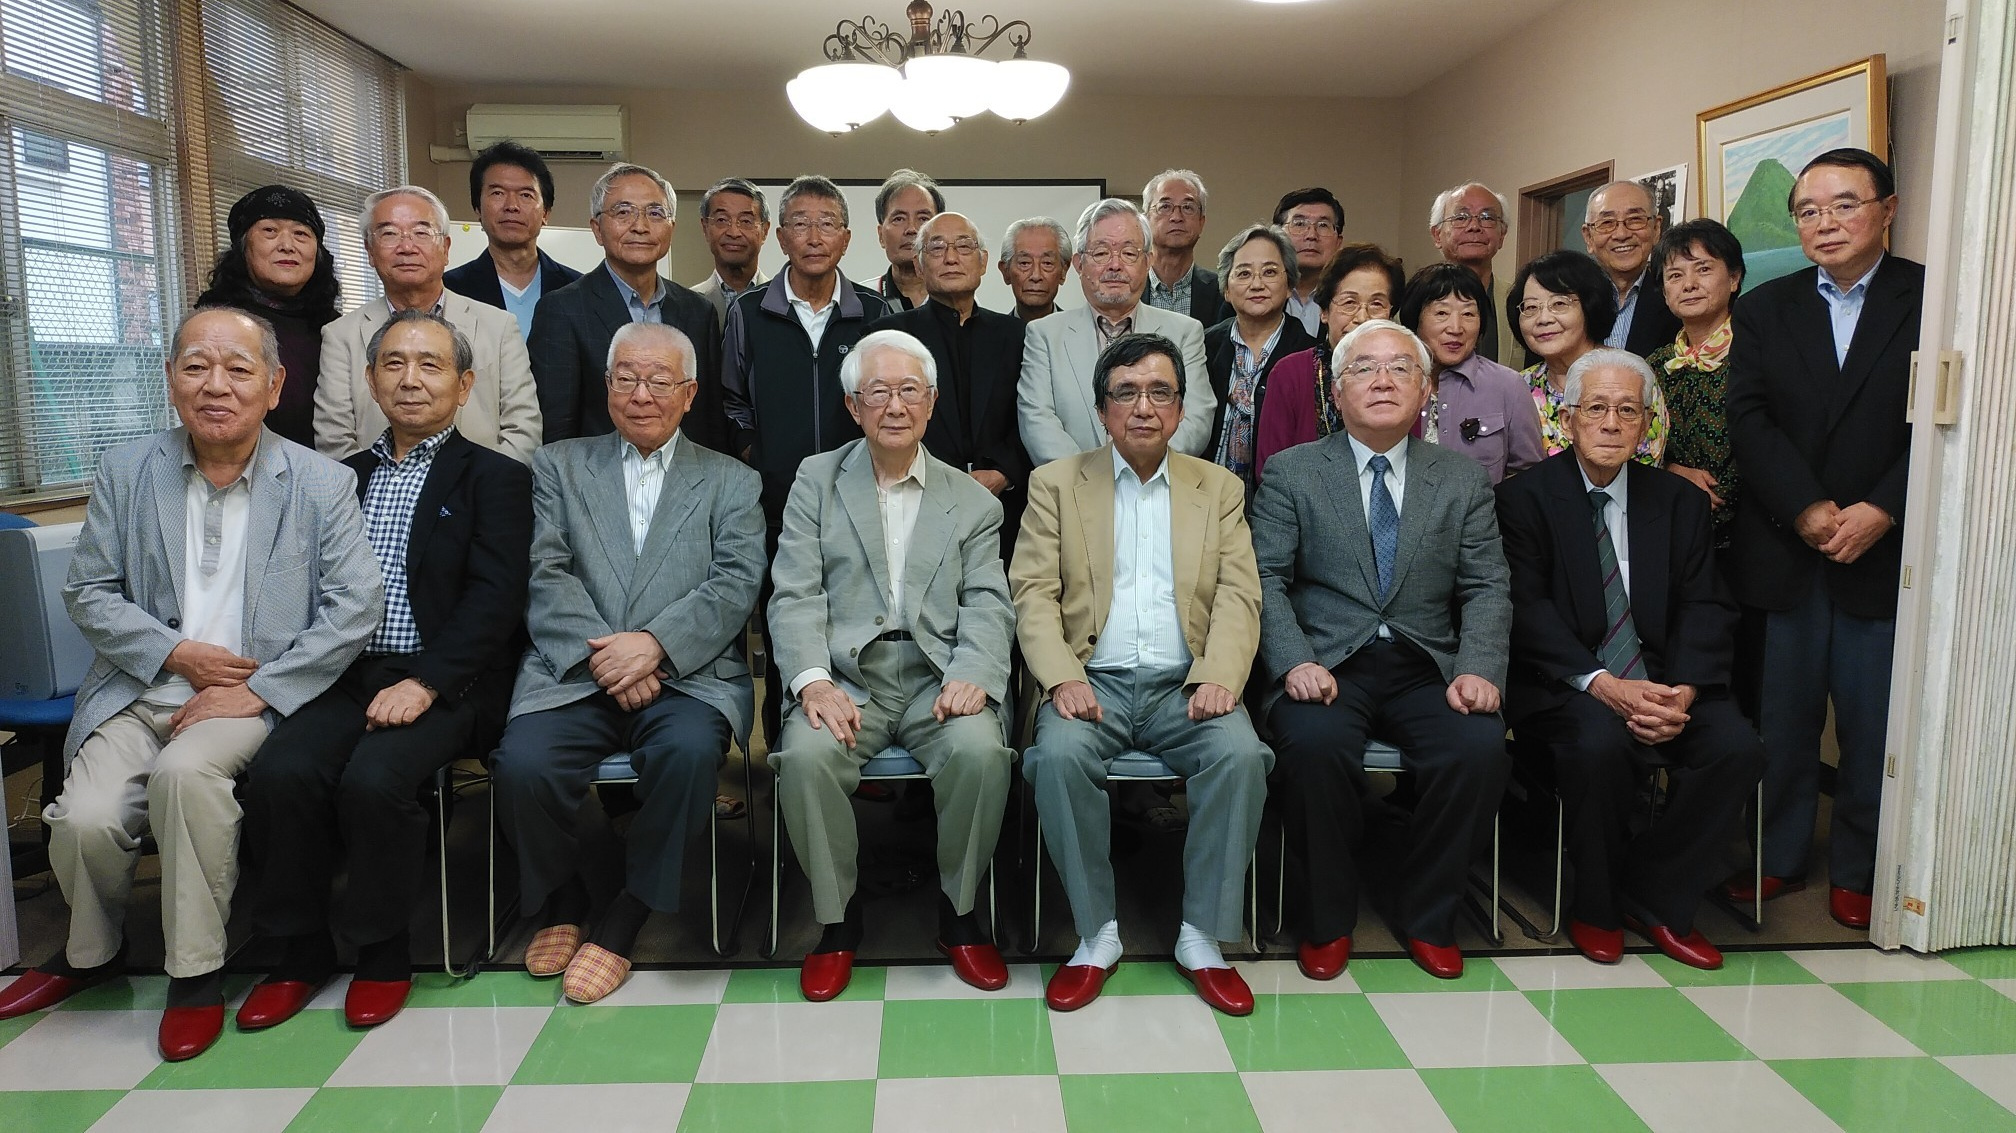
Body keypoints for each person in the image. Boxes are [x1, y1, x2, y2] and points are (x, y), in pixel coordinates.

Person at [0, 308, 381, 1060]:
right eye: (197, 366)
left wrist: (262, 688)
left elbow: (355, 608)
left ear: (274, 386)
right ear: (171, 378)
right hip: (139, 688)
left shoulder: (322, 482)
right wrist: (176, 653)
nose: (216, 385)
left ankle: (195, 973)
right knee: (84, 818)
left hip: (247, 695)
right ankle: (93, 954)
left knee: (184, 777)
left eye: (239, 369)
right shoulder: (126, 469)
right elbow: (89, 592)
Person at [237, 311, 532, 1031]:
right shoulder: (339, 478)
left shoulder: (496, 478)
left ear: (464, 384)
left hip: (449, 679)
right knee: (282, 772)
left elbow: (495, 601)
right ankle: (299, 950)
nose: (410, 379)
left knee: (375, 780)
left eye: (431, 365)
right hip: (344, 672)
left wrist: (426, 682)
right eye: (393, 364)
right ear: (370, 381)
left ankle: (382, 951)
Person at [489, 322, 765, 1004]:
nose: (642, 394)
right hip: (576, 668)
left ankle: (626, 916)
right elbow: (545, 570)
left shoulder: (732, 480)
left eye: (660, 381)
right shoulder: (558, 465)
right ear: (607, 385)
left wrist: (655, 646)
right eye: (627, 378)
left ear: (690, 393)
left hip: (689, 672)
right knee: (523, 765)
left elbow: (735, 583)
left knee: (687, 756)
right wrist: (612, 658)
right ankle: (564, 897)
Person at [1013, 332, 1273, 1017]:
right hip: (1090, 681)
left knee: (1241, 756)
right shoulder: (1056, 485)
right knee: (1057, 758)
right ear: (1102, 409)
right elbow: (1032, 593)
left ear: (1181, 407)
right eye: (1125, 392)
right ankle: (1096, 934)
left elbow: (1240, 594)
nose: (1144, 407)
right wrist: (1061, 677)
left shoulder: (1218, 488)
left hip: (1185, 684)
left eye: (1160, 392)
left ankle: (1202, 937)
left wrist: (1220, 674)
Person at [1251, 318, 1512, 981]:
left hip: (1426, 663)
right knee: (1313, 747)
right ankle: (1327, 919)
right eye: (1364, 368)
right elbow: (1264, 579)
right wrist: (1294, 659)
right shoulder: (1293, 472)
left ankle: (1429, 915)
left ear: (1426, 390)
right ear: (1336, 391)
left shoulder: (1460, 478)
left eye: (1401, 368)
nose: (1383, 380)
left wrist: (1479, 668)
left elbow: (1486, 584)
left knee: (1478, 747)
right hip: (1326, 660)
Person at [1496, 348, 1764, 971]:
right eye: (1596, 408)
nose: (1611, 423)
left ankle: (1655, 894)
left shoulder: (1678, 502)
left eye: (1627, 410)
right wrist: (1603, 685)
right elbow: (1525, 609)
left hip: (1663, 678)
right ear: (1568, 418)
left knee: (1737, 748)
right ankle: (1595, 905)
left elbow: (1705, 602)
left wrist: (1685, 690)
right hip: (1567, 681)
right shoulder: (1522, 499)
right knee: (1599, 744)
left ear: (1646, 424)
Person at [769, 330, 1016, 1002]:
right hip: (848, 678)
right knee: (807, 757)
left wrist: (974, 672)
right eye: (878, 391)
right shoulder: (817, 481)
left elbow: (988, 602)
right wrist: (812, 679)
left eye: (910, 390)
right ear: (854, 406)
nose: (896, 405)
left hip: (940, 674)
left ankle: (960, 913)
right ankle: (837, 921)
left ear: (932, 402)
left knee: (981, 753)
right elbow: (795, 591)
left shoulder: (972, 500)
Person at [1725, 148, 1923, 931]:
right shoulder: (1765, 308)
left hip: (1882, 546)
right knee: (1783, 719)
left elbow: (1946, 419)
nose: (1824, 223)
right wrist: (1805, 505)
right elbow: (1749, 419)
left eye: (1844, 204)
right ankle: (1777, 855)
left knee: (1873, 725)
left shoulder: (1930, 297)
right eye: (1807, 210)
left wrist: (1884, 508)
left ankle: (1859, 868)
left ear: (1887, 209)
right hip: (1788, 545)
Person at [317, 185, 541, 463]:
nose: (406, 247)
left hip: (481, 487)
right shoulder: (340, 335)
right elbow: (334, 441)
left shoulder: (499, 327)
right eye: (389, 234)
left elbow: (523, 429)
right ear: (370, 252)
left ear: (446, 248)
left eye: (421, 233)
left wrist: (484, 485)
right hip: (374, 489)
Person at [866, 212, 1031, 559]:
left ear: (983, 262)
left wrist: (1005, 472)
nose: (951, 258)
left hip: (1005, 507)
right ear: (919, 264)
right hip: (913, 502)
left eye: (964, 247)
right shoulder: (889, 336)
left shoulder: (1017, 335)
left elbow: (1033, 414)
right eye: (937, 248)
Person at [527, 162, 725, 450]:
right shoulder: (561, 309)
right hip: (596, 475)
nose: (640, 226)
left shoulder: (699, 311)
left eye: (655, 213)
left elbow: (709, 422)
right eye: (623, 212)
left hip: (685, 475)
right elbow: (557, 430)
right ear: (597, 229)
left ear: (671, 228)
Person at [1017, 198, 1213, 465]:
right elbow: (1037, 420)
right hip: (1074, 485)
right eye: (1101, 253)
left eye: (1129, 253)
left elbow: (1196, 418)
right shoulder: (1044, 335)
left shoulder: (1184, 332)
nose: (1115, 265)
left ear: (1148, 261)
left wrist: (1141, 473)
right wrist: (1092, 479)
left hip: (1160, 484)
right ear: (1079, 264)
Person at [194, 186, 343, 448]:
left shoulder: (336, 326)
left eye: (300, 234)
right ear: (243, 246)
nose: (287, 246)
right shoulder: (214, 319)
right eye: (270, 231)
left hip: (329, 466)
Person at [1252, 243, 1406, 478]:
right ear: (1324, 312)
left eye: (1376, 304)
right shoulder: (1289, 373)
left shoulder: (1405, 376)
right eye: (1349, 302)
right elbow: (1271, 472)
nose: (1362, 317)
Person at [1644, 219, 1746, 548]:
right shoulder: (1653, 366)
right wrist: (1670, 470)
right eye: (1675, 275)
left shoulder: (1757, 352)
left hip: (1753, 535)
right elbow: (1636, 444)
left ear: (1734, 278)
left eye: (1703, 269)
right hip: (1672, 532)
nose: (1689, 284)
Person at [1511, 250, 1667, 463]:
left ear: (1590, 305)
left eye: (1559, 304)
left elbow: (1645, 465)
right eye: (1530, 307)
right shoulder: (1518, 387)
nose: (1543, 318)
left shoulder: (1631, 376)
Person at [1395, 262, 1544, 484]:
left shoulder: (1508, 386)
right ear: (1415, 319)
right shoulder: (1393, 382)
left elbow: (1529, 475)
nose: (1456, 328)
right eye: (1442, 313)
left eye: (1468, 314)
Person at [1202, 223, 1317, 493]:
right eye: (1244, 273)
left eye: (1270, 272)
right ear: (1226, 289)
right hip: (1205, 495)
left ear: (1289, 286)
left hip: (1280, 498)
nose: (1257, 284)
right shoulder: (1203, 346)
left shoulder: (1309, 357)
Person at [442, 140, 582, 339]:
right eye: (497, 193)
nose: (512, 206)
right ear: (478, 209)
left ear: (546, 213)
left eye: (526, 195)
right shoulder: (449, 291)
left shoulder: (578, 289)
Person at [1582, 181, 1682, 357]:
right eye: (1607, 222)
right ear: (1589, 237)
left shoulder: (1680, 298)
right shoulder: (1567, 300)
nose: (1622, 234)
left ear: (1656, 228)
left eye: (1635, 219)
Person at [1428, 182, 1521, 369]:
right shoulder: (1412, 303)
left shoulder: (1519, 301)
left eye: (1487, 218)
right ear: (1437, 235)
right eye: (1461, 217)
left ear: (1502, 235)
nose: (1474, 226)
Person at [1142, 169, 1226, 325]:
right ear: (1146, 220)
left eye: (1187, 207)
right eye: (1165, 206)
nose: (1176, 217)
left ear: (1201, 222)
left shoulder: (1223, 292)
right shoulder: (1128, 287)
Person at [691, 177, 772, 322]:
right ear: (705, 228)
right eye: (722, 220)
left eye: (746, 221)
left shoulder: (783, 300)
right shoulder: (688, 304)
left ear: (765, 231)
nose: (734, 232)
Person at [1273, 187, 1347, 335]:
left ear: (1338, 242)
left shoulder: (1350, 300)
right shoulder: (1257, 293)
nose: (1311, 235)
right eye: (1299, 224)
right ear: (1276, 236)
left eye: (1323, 225)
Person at [873, 168, 943, 311]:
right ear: (881, 235)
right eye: (899, 219)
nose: (911, 229)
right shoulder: (861, 301)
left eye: (923, 219)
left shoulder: (956, 300)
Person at [998, 217, 1071, 321]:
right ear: (1005, 271)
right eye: (1024, 263)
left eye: (1047, 263)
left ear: (1064, 271)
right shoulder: (991, 332)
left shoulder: (1082, 331)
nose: (1036, 276)